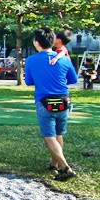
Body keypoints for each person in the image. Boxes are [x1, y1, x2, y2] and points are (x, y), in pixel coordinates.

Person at [24, 27, 78, 181]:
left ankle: (65, 166)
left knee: (49, 136)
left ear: (36, 43)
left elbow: (29, 82)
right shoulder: (64, 59)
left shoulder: (31, 60)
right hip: (63, 100)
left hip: (44, 101)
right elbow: (73, 79)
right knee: (58, 134)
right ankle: (55, 164)